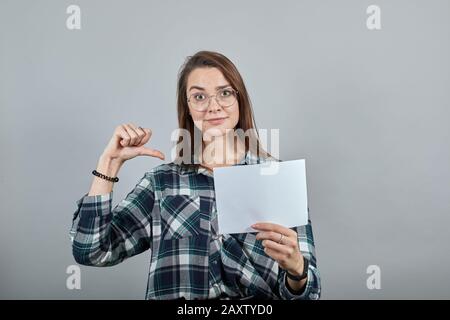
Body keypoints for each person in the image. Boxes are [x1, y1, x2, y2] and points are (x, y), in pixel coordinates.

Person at [70, 50, 321, 300]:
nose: (213, 107)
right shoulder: (162, 183)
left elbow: (310, 295)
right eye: (199, 96)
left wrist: (297, 272)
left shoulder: (278, 180)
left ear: (239, 99)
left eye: (224, 93)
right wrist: (108, 165)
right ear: (187, 107)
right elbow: (91, 251)